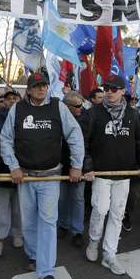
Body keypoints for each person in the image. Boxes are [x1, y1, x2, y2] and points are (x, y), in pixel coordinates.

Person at [0, 71, 84, 279]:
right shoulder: (17, 109)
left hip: (50, 176)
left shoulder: (58, 107)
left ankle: (46, 270)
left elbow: (74, 135)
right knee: (29, 222)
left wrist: (76, 165)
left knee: (48, 221)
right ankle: (33, 255)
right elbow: (6, 139)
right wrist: (14, 166)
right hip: (25, 176)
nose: (41, 88)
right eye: (36, 85)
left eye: (44, 85)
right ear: (28, 89)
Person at [83, 75, 140, 275]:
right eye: (107, 89)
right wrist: (87, 167)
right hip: (101, 173)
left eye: (114, 89)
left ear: (123, 91)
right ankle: (94, 241)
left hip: (124, 173)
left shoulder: (134, 114)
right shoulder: (93, 113)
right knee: (101, 209)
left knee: (117, 214)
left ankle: (110, 254)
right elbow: (84, 143)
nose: (110, 92)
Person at [0, 88, 23, 257]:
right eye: (9, 98)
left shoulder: (27, 118)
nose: (12, 101)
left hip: (23, 171)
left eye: (16, 98)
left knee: (20, 209)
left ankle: (18, 234)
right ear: (4, 102)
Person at [58, 91, 89, 247]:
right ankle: (62, 225)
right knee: (61, 198)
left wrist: (83, 167)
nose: (80, 109)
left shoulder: (85, 120)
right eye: (77, 106)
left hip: (79, 167)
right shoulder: (57, 119)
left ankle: (77, 231)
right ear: (66, 106)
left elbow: (88, 145)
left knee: (77, 199)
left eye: (81, 105)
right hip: (60, 166)